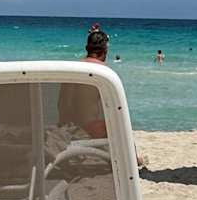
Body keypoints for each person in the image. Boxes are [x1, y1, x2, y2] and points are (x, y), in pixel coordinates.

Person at [59, 27, 147, 169]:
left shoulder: (73, 70)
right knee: (122, 126)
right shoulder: (104, 73)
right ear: (105, 50)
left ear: (87, 48)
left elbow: (62, 105)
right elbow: (114, 109)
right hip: (92, 129)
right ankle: (134, 159)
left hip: (68, 127)